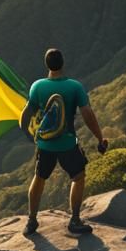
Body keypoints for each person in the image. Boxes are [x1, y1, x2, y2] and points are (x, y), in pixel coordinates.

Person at [20, 47, 107, 235]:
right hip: (67, 143)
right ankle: (74, 220)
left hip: (45, 143)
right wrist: (100, 138)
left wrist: (29, 135)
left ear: (47, 64)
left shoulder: (37, 86)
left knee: (39, 178)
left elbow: (25, 115)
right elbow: (87, 115)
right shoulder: (74, 87)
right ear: (63, 63)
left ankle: (31, 221)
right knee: (78, 177)